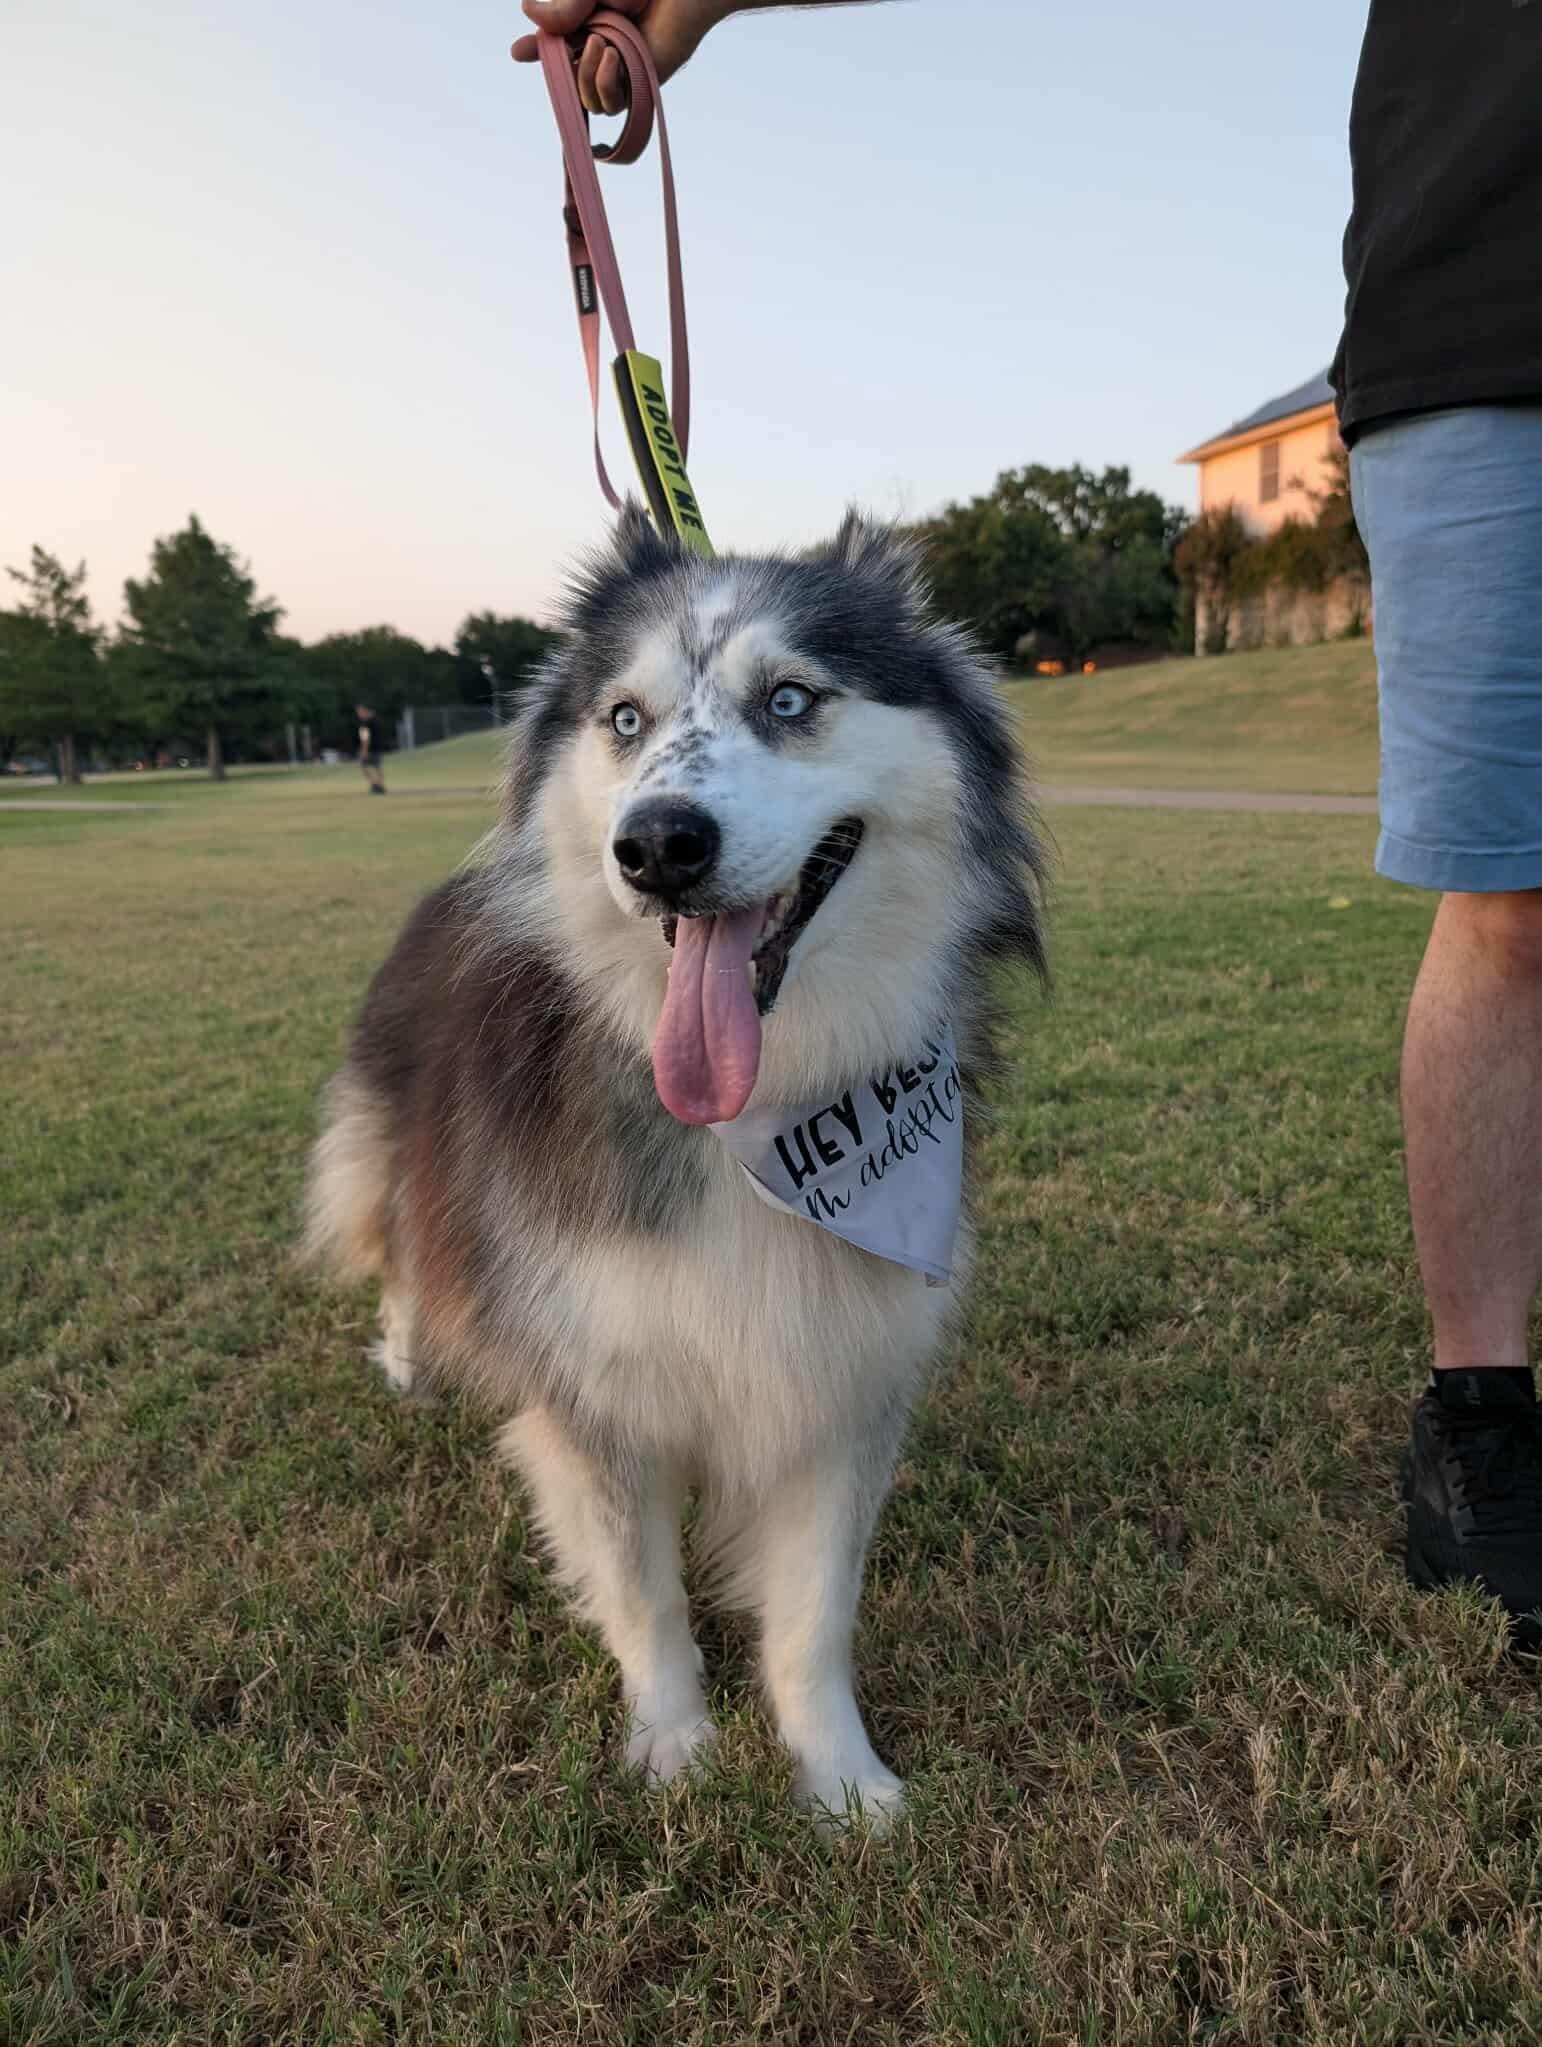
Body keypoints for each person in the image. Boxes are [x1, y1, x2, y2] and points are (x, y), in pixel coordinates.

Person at [517, 0, 1542, 1637]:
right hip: (1497, 303)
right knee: (1513, 895)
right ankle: (1485, 1419)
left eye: (794, 706)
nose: (661, 804)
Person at [356, 703, 386, 795]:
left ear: (365, 711)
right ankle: (380, 785)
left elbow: (365, 738)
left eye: (360, 712)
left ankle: (374, 785)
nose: (359, 714)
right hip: (379, 748)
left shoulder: (365, 724)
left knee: (363, 766)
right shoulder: (377, 721)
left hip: (370, 749)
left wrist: (364, 751)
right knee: (378, 768)